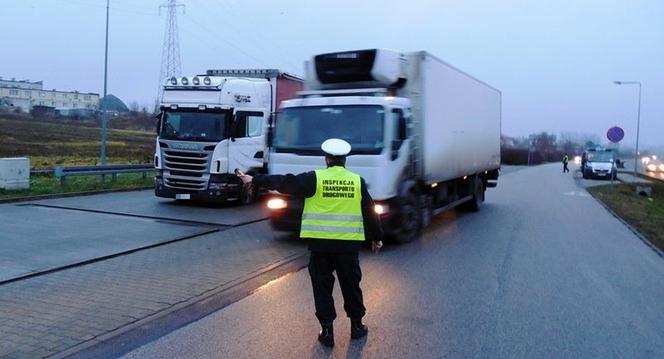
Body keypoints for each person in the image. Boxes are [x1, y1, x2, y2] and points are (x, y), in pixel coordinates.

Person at [236, 138, 384, 348]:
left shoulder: (314, 179)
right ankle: (357, 327)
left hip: (320, 247)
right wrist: (377, 237)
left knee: (322, 288)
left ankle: (327, 331)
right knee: (351, 286)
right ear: (345, 160)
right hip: (347, 247)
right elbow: (370, 211)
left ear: (326, 159)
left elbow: (284, 182)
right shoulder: (356, 181)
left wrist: (256, 179)